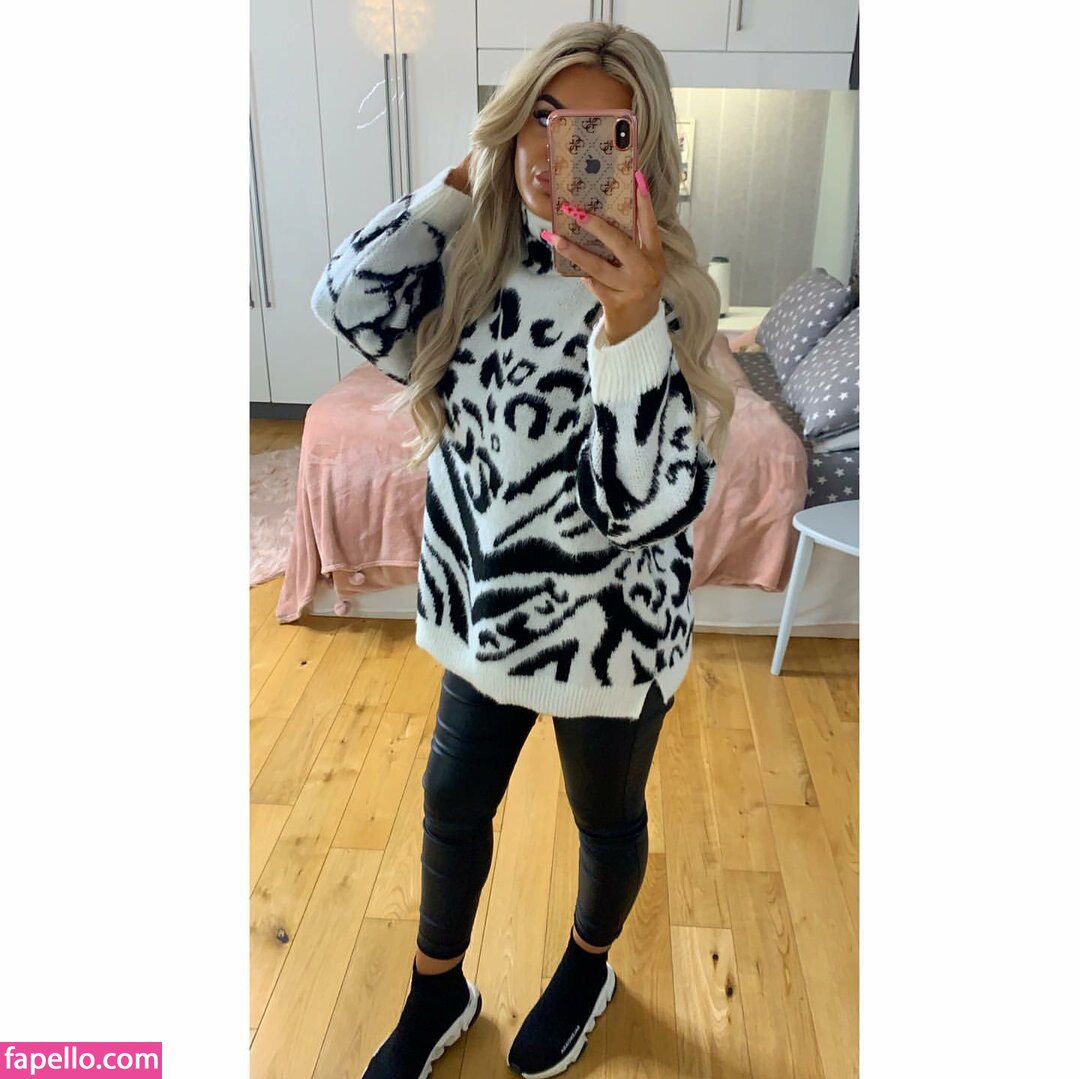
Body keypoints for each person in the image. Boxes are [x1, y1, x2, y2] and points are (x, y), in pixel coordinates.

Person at [310, 18, 735, 1079]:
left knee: (606, 820)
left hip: (612, 641)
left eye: (598, 129)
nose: (560, 147)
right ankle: (436, 988)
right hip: (483, 617)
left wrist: (629, 321)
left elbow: (630, 505)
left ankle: (588, 969)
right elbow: (346, 300)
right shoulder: (473, 265)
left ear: (643, 148)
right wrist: (467, 174)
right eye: (543, 116)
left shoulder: (678, 302)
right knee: (451, 808)